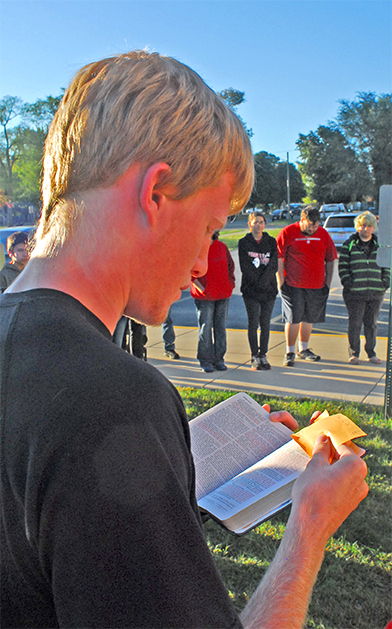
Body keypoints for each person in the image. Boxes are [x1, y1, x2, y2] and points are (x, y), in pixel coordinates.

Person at [0, 51, 368, 629]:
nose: (202, 263)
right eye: (207, 227)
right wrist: (310, 526)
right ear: (155, 193)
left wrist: (163, 467)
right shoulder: (114, 398)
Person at [276, 206, 337, 367]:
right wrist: (280, 283)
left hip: (316, 285)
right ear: (301, 220)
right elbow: (278, 258)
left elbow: (331, 259)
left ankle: (303, 349)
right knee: (293, 318)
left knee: (308, 318)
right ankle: (289, 352)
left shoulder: (323, 234)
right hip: (292, 284)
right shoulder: (288, 232)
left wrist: (328, 283)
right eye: (309, 225)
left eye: (315, 226)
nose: (311, 229)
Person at [338, 211, 390, 365]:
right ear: (357, 227)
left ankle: (371, 352)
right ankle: (354, 353)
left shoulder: (380, 245)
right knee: (355, 323)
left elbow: (387, 266)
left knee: (371, 324)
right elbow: (343, 267)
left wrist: (385, 281)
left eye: (369, 226)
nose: (365, 229)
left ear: (373, 228)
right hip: (354, 293)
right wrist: (349, 282)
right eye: (362, 226)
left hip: (375, 292)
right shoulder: (350, 244)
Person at [238, 211, 278, 370]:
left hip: (268, 290)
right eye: (255, 222)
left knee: (265, 324)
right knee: (253, 323)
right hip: (251, 291)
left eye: (261, 222)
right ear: (250, 224)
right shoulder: (244, 243)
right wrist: (257, 282)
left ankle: (263, 355)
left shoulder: (271, 242)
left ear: (264, 224)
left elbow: (273, 265)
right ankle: (254, 355)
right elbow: (245, 267)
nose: (258, 225)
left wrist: (264, 282)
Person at [191, 230, 235, 372]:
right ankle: (205, 361)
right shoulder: (197, 248)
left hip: (223, 294)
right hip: (205, 297)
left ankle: (219, 359)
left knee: (220, 328)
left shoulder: (222, 246)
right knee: (205, 328)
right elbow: (189, 270)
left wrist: (230, 284)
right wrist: (201, 288)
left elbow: (230, 266)